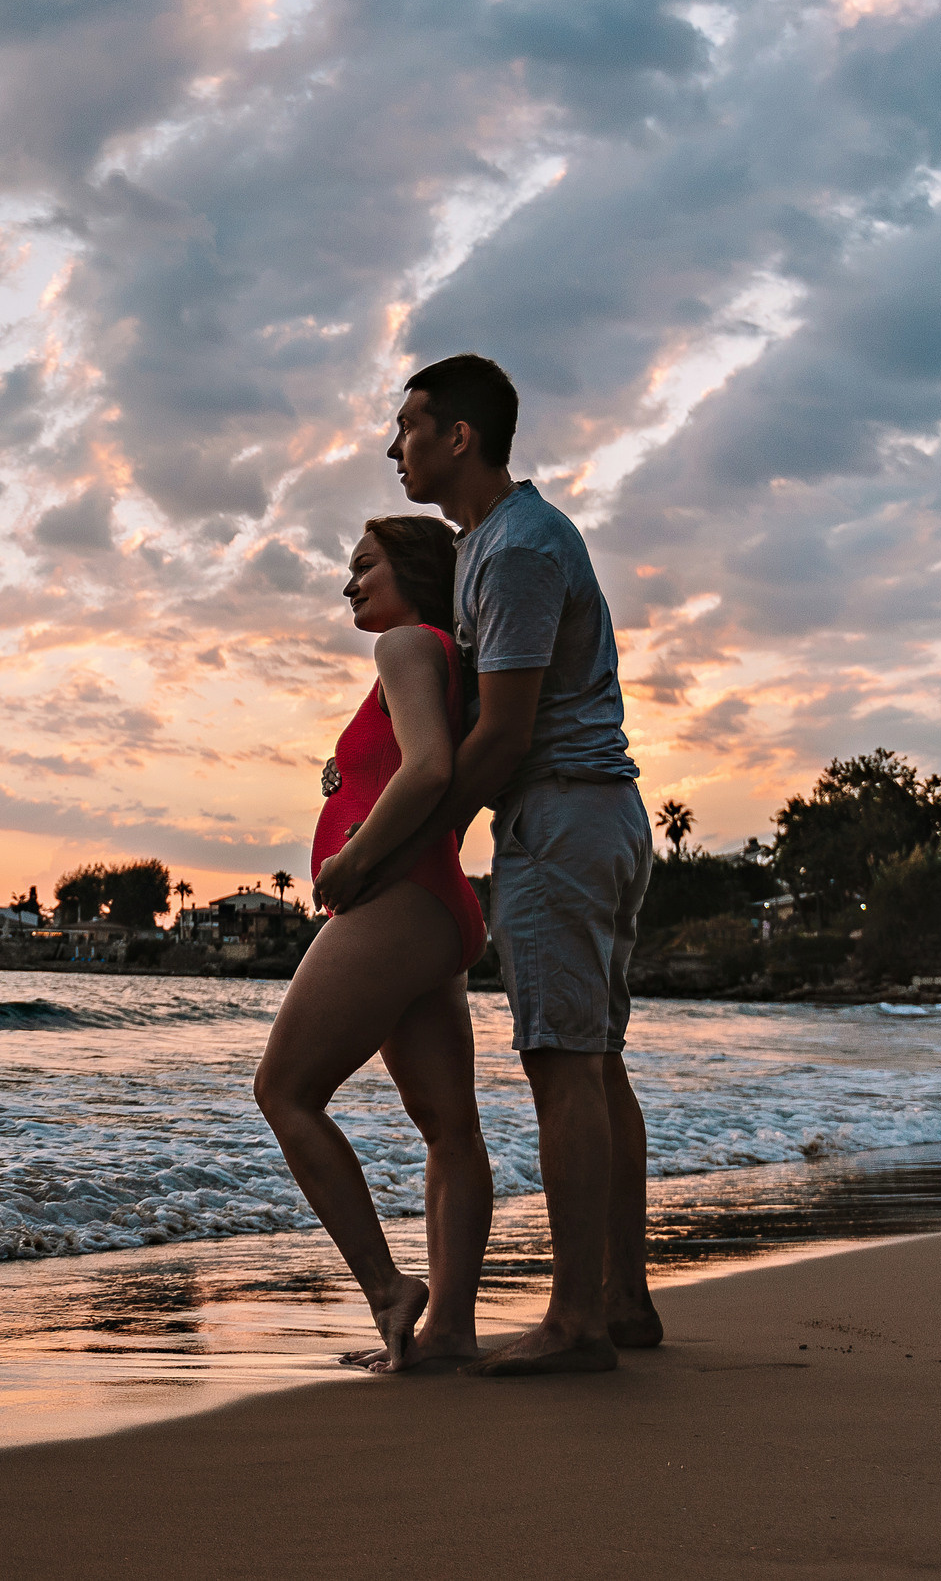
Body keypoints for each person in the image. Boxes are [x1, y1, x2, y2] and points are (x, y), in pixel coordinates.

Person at [358, 352, 659, 1375]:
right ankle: (621, 1300)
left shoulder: (517, 548)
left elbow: (502, 735)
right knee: (594, 1056)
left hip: (561, 819)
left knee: (561, 1062)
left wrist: (414, 839)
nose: (392, 447)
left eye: (406, 427)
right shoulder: (502, 543)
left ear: (458, 437)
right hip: (590, 816)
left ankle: (577, 1320)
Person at [254, 515, 493, 1374]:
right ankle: (450, 1336)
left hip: (397, 899)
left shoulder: (403, 646)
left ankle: (390, 1290)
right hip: (432, 905)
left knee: (284, 1089)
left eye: (364, 566)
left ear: (412, 572)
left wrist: (353, 857)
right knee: (447, 1127)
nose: (349, 583)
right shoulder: (437, 650)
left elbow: (427, 766)